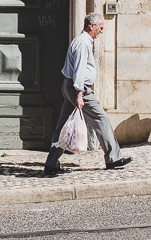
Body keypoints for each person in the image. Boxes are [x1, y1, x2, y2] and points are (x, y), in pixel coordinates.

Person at [45, 12, 133, 174]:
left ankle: (51, 164)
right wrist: (79, 93)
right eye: (100, 27)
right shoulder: (83, 43)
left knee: (63, 125)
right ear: (91, 26)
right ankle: (113, 158)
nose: (101, 31)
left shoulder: (81, 41)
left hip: (70, 86)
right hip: (79, 88)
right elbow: (79, 69)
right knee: (101, 119)